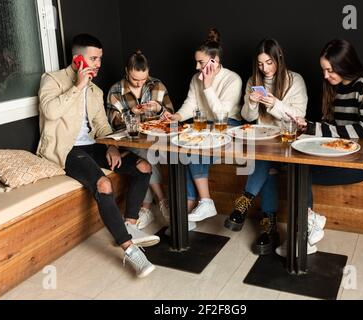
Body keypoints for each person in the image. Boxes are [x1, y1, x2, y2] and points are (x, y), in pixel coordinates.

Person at [36, 34, 159, 278]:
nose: (98, 64)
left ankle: (130, 226)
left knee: (144, 167)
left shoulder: (95, 90)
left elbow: (102, 126)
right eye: (93, 58)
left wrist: (110, 146)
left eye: (100, 59)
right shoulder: (52, 80)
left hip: (93, 145)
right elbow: (50, 112)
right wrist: (78, 86)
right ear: (77, 59)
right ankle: (129, 249)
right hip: (66, 149)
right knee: (103, 184)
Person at [290, 38, 363, 257]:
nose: (326, 76)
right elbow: (334, 127)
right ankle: (309, 222)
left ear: (345, 65)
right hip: (346, 148)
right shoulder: (334, 88)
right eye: (324, 70)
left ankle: (307, 227)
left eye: (330, 70)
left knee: (301, 171)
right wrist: (308, 126)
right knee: (298, 166)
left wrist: (315, 128)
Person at [223, 38, 316, 255]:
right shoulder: (253, 80)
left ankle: (246, 203)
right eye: (261, 64)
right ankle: (269, 228)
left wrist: (274, 104)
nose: (265, 69)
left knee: (264, 161)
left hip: (289, 139)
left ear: (279, 59)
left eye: (269, 63)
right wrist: (253, 103)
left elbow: (298, 117)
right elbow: (247, 117)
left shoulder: (295, 80)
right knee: (267, 164)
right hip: (264, 140)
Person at [167, 28, 242, 229]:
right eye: (197, 62)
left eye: (200, 62)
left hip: (228, 127)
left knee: (194, 148)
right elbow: (190, 105)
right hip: (204, 127)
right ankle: (193, 206)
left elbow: (222, 115)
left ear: (214, 61)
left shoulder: (232, 79)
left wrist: (208, 85)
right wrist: (176, 116)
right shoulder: (195, 79)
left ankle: (204, 202)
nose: (196, 66)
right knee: (183, 151)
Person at [106, 50, 173, 228]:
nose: (140, 83)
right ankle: (162, 200)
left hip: (156, 140)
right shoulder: (115, 90)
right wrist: (131, 113)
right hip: (128, 141)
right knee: (144, 154)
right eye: (135, 79)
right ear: (126, 72)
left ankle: (145, 208)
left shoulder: (157, 86)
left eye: (144, 79)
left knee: (148, 153)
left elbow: (171, 117)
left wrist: (159, 109)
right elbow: (112, 122)